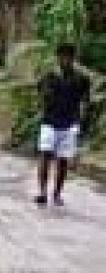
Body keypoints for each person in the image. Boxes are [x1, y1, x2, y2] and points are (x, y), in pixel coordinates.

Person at [34, 41, 92, 207]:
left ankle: (57, 194)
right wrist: (43, 103)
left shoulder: (82, 79)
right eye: (62, 57)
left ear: (73, 59)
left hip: (70, 123)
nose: (65, 60)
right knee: (45, 155)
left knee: (63, 160)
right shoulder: (48, 77)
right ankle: (42, 192)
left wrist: (82, 120)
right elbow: (40, 94)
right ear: (58, 58)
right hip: (49, 122)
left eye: (69, 57)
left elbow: (86, 101)